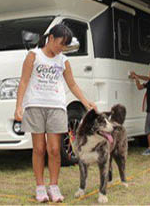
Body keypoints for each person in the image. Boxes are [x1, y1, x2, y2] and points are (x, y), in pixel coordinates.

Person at [15, 24, 98, 203]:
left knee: (54, 149)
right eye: (61, 43)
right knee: (39, 149)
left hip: (57, 107)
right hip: (35, 105)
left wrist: (86, 102)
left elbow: (72, 84)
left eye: (65, 45)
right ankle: (40, 187)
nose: (62, 48)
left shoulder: (63, 61)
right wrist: (18, 106)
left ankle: (54, 186)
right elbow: (23, 81)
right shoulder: (33, 56)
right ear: (51, 38)